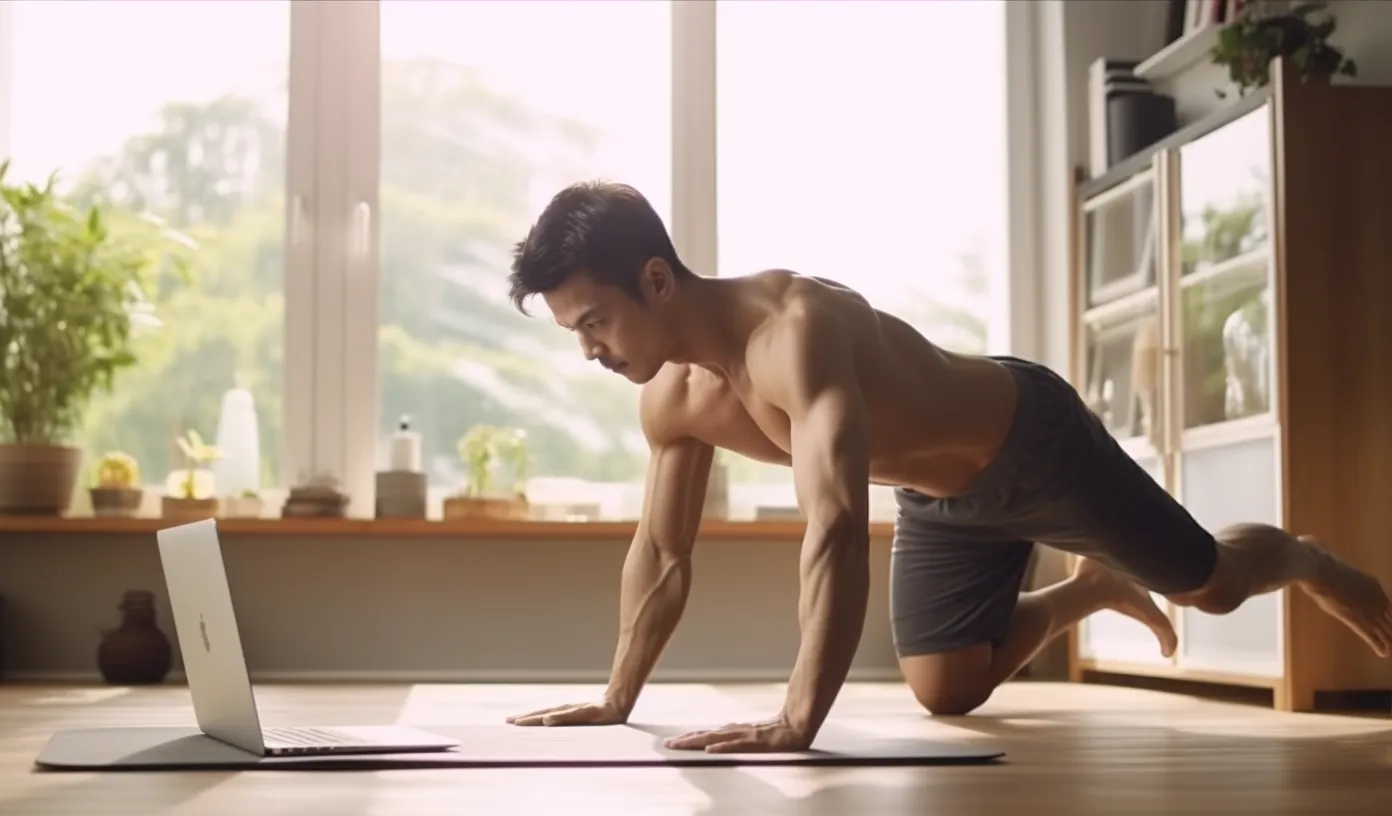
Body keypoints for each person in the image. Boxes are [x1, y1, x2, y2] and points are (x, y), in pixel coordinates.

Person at [500, 180, 1392, 754]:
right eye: (576, 331)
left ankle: (1309, 557)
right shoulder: (672, 402)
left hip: (1034, 446)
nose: (590, 351)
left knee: (1214, 585)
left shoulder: (795, 331)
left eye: (594, 324)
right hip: (936, 500)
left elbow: (838, 529)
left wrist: (796, 722)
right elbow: (661, 554)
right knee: (947, 691)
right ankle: (1089, 587)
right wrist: (618, 699)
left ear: (656, 279)